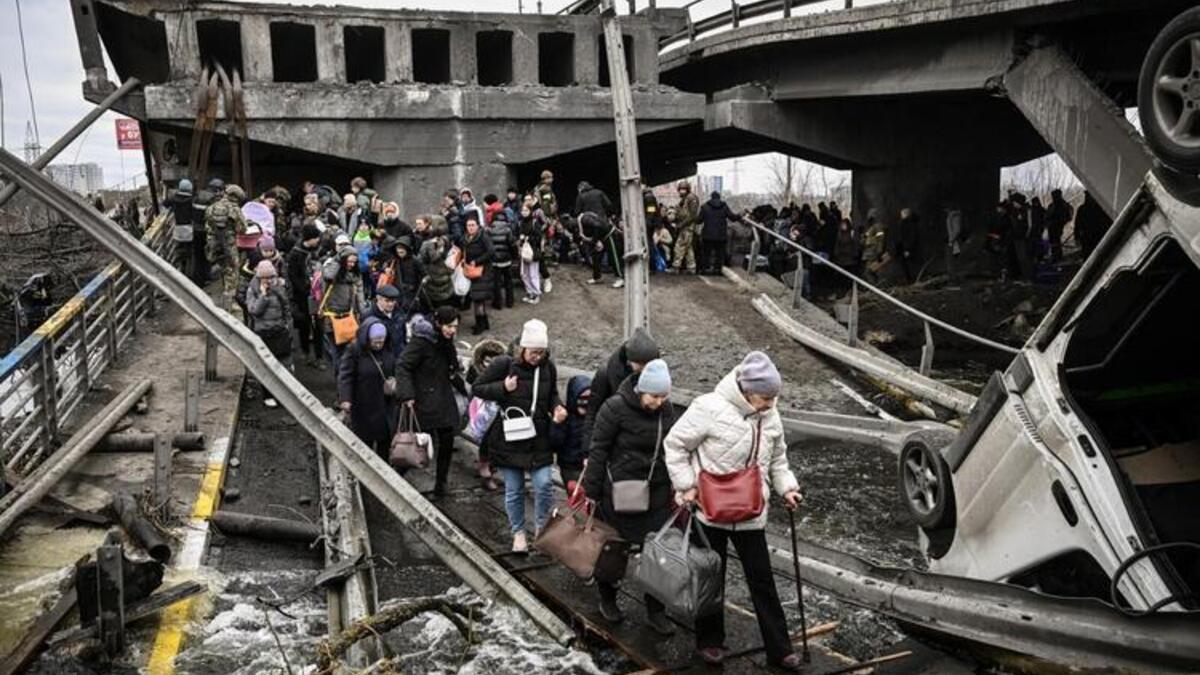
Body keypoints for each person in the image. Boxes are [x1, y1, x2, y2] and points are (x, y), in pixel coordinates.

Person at [663, 351, 804, 670]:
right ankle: (709, 642)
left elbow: (778, 461)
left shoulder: (771, 416)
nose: (770, 403)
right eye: (764, 397)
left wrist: (788, 488)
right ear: (746, 389)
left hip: (752, 511)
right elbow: (674, 446)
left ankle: (780, 649)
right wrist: (686, 485)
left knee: (763, 581)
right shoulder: (707, 407)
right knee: (710, 577)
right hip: (709, 509)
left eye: (774, 397)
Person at [583, 359, 677, 634]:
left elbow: (674, 447)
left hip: (656, 491)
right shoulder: (614, 408)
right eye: (654, 396)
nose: (659, 402)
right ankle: (608, 599)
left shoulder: (666, 411)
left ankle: (656, 611)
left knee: (657, 555)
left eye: (664, 396)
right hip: (617, 492)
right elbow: (598, 449)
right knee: (612, 550)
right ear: (640, 390)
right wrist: (592, 490)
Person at [472, 319, 567, 552]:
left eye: (542, 352)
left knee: (544, 484)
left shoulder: (548, 367)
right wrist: (503, 388)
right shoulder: (504, 364)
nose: (538, 357)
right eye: (534, 352)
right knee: (514, 489)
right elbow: (477, 388)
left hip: (538, 436)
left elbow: (552, 393)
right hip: (510, 437)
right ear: (523, 348)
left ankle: (540, 529)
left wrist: (557, 407)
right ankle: (518, 533)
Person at [396, 306, 464, 495]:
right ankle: (395, 477)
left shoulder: (446, 341)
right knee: (417, 443)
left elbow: (451, 369)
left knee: (447, 440)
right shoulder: (421, 342)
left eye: (455, 327)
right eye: (449, 326)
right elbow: (403, 366)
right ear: (438, 323)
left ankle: (441, 483)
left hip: (443, 396)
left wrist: (466, 388)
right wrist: (407, 394)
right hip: (424, 398)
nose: (452, 330)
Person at [585, 327, 660, 447]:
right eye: (642, 365)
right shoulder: (606, 374)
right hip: (614, 440)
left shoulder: (655, 374)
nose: (646, 369)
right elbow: (592, 413)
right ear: (630, 361)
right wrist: (588, 450)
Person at [338, 319, 398, 459]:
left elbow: (396, 368)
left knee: (385, 443)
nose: (378, 345)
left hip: (385, 405)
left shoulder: (388, 349)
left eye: (381, 341)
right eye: (375, 341)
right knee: (365, 444)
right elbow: (346, 376)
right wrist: (345, 398)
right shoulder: (354, 350)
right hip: (363, 405)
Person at [246, 259, 293, 408]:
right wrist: (263, 296)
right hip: (263, 332)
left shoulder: (279, 287)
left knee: (284, 364)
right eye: (265, 277)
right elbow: (254, 311)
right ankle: (268, 394)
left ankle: (285, 394)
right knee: (267, 366)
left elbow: (286, 306)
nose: (268, 280)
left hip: (279, 330)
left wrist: (287, 325)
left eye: (270, 277)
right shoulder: (253, 289)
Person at [319, 247, 366, 373]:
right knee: (337, 350)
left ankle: (345, 376)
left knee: (348, 350)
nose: (351, 265)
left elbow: (360, 296)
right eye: (349, 261)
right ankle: (340, 378)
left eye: (354, 262)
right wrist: (337, 262)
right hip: (332, 318)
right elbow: (328, 276)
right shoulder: (332, 269)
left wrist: (363, 313)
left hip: (349, 317)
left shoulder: (355, 275)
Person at [286, 223, 326, 368]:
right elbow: (292, 275)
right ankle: (306, 352)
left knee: (319, 326)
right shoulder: (296, 254)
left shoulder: (317, 251)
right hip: (303, 296)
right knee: (304, 324)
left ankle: (319, 356)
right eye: (316, 238)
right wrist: (304, 288)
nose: (318, 240)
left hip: (317, 295)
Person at [205, 183, 248, 309]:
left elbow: (207, 226)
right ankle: (230, 302)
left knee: (222, 269)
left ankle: (221, 297)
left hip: (213, 245)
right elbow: (242, 229)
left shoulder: (211, 207)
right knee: (232, 271)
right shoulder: (234, 209)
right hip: (229, 244)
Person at [549, 374, 591, 487]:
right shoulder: (565, 418)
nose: (585, 402)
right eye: (582, 397)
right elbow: (554, 444)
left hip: (590, 465)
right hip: (570, 466)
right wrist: (557, 424)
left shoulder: (595, 417)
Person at [461, 215, 495, 334]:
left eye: (472, 225)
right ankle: (483, 323)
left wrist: (478, 261)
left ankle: (480, 324)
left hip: (482, 271)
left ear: (477, 226)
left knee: (478, 299)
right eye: (468, 225)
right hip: (472, 270)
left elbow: (491, 251)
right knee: (477, 298)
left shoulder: (483, 237)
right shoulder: (466, 238)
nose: (470, 228)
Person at [417, 216, 456, 311]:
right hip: (444, 275)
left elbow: (423, 259)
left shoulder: (426, 244)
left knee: (433, 301)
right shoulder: (446, 241)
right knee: (446, 299)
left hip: (432, 276)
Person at [698, 191, 740, 275]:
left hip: (707, 235)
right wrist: (740, 215)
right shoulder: (724, 207)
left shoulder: (704, 207)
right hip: (721, 235)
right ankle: (717, 270)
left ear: (711, 197)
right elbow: (732, 218)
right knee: (719, 254)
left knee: (706, 253)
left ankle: (705, 269)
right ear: (719, 197)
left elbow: (699, 220)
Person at [363, 284, 407, 360]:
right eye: (387, 301)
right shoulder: (368, 316)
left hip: (399, 358)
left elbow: (403, 335)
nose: (390, 304)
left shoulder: (399, 312)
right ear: (378, 298)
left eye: (393, 301)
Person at [488, 211, 518, 310]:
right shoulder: (508, 229)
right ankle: (510, 302)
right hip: (506, 259)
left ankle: (498, 303)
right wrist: (514, 256)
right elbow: (512, 245)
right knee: (508, 281)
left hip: (495, 260)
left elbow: (488, 246)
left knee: (496, 282)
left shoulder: (489, 229)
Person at [517, 203, 544, 304]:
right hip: (524, 250)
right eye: (523, 211)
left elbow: (539, 237)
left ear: (530, 211)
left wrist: (528, 238)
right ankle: (529, 292)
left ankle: (536, 293)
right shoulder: (521, 223)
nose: (524, 213)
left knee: (533, 273)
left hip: (533, 251)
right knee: (524, 274)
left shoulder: (534, 222)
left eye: (526, 211)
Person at [672, 180, 700, 274]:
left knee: (679, 247)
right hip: (685, 226)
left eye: (683, 189)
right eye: (680, 189)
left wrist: (681, 225)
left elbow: (692, 216)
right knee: (688, 248)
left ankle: (676, 266)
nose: (681, 191)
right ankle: (691, 268)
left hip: (687, 227)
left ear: (687, 189)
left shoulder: (691, 198)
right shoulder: (685, 199)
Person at [1074, 191, 1111, 260]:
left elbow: (1108, 222)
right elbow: (1077, 224)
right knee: (1087, 255)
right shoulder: (1082, 209)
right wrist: (1076, 236)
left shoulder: (1102, 208)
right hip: (1086, 237)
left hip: (1099, 236)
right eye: (1088, 196)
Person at [1045, 189, 1074, 263]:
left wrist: (1059, 222)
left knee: (1056, 241)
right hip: (1052, 226)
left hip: (1057, 226)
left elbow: (1065, 216)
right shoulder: (1053, 205)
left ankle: (1056, 257)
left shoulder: (1062, 205)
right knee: (1054, 242)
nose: (1053, 197)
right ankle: (1056, 256)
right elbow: (1047, 215)